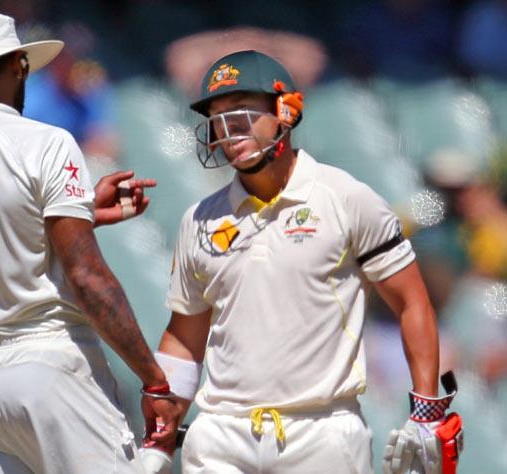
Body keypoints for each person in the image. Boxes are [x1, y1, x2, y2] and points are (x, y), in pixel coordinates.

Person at [149, 50, 463, 473]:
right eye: (218, 118)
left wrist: (426, 410)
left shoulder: (346, 198)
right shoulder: (199, 220)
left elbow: (412, 303)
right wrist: (161, 431)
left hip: (322, 432)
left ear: (286, 111)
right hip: (220, 431)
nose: (228, 131)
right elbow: (185, 336)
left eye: (241, 114)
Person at [0, 11, 179, 473]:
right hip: (52, 366)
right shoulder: (47, 143)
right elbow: (87, 276)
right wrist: (154, 381)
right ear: (18, 64)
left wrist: (82, 210)